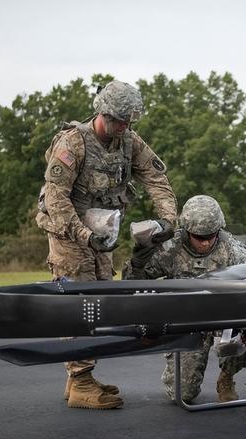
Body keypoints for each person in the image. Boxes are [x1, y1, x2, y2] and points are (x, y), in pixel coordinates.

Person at [36, 80, 178, 410]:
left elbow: (156, 179)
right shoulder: (74, 143)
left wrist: (169, 219)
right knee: (78, 302)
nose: (126, 126)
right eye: (121, 120)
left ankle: (78, 380)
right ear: (104, 113)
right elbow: (56, 197)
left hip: (102, 232)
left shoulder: (128, 141)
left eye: (130, 120)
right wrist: (85, 237)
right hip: (68, 234)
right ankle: (82, 380)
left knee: (99, 299)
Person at [123, 195, 246, 403]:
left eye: (210, 236)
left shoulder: (233, 250)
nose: (205, 242)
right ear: (186, 230)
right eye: (198, 236)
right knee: (182, 395)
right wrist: (138, 263)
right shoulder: (170, 249)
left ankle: (227, 378)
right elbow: (131, 285)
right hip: (186, 320)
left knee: (241, 339)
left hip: (224, 317)